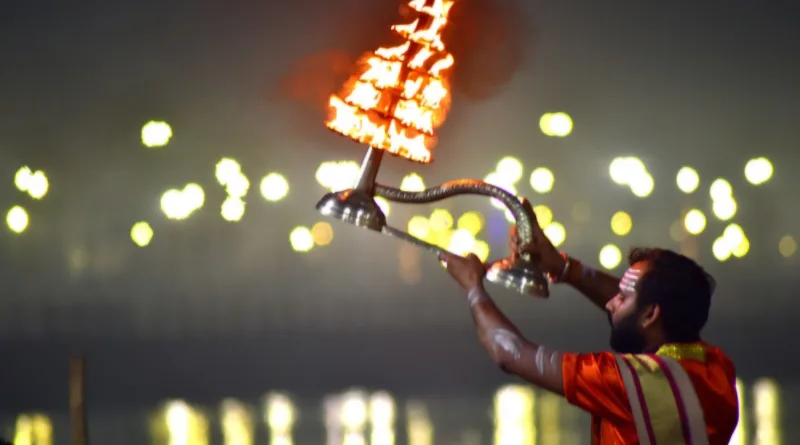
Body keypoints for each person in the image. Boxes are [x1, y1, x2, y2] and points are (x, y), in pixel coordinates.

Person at [438, 203, 739, 444]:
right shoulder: (716, 369)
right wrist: (563, 268)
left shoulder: (628, 383)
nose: (610, 303)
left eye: (621, 297)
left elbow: (510, 353)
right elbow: (639, 310)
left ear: (651, 314)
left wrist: (472, 286)